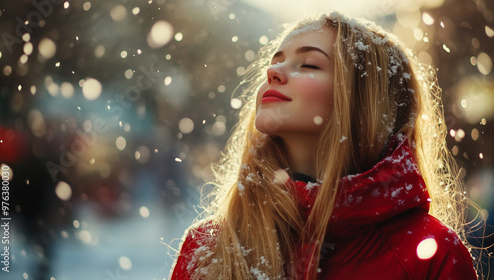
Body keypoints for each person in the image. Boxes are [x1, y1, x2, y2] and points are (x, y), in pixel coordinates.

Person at [170, 11, 478, 279]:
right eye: (276, 61)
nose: (272, 72)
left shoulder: (430, 253)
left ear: (363, 103)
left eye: (308, 64)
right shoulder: (208, 246)